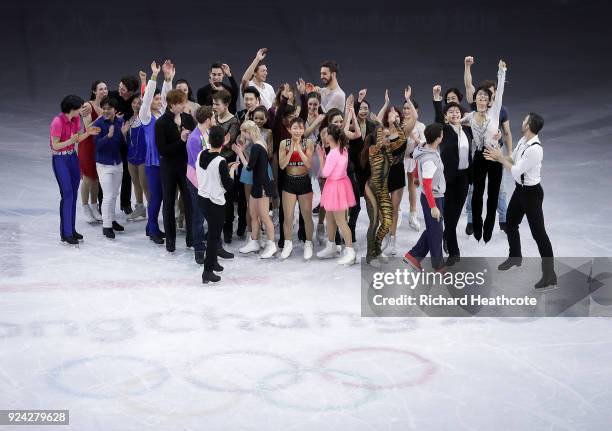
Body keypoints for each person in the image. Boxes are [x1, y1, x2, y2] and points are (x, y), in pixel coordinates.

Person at [484, 113, 557, 291]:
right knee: (510, 223)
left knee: (539, 235)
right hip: (520, 191)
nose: (522, 121)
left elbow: (516, 171)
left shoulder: (535, 149)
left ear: (529, 125)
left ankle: (550, 276)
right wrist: (496, 157)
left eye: (525, 120)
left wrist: (499, 157)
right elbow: (513, 160)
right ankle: (515, 256)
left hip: (532, 194)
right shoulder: (523, 141)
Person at [464, 56, 513, 235]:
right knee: (475, 190)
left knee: (498, 190)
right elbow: (469, 86)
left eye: (488, 95)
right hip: (477, 155)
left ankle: (502, 220)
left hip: (494, 153)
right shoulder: (473, 110)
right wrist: (467, 67)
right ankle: (472, 221)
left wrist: (502, 72)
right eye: (482, 95)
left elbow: (506, 133)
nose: (485, 98)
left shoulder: (499, 110)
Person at [433, 85, 473, 266]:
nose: (455, 114)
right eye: (451, 112)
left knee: (454, 215)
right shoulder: (443, 130)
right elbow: (437, 116)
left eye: (457, 111)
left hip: (464, 177)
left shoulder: (467, 130)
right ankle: (454, 252)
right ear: (446, 116)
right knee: (448, 217)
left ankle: (446, 237)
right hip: (448, 178)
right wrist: (436, 98)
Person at [50, 95, 100, 244]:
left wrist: (88, 133)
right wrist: (69, 141)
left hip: (72, 157)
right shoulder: (57, 122)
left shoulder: (76, 119)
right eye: (80, 107)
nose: (82, 110)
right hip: (60, 159)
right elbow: (55, 145)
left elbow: (77, 139)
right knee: (67, 194)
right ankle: (65, 233)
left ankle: (71, 229)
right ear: (72, 109)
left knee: (73, 194)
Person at [361, 109, 407, 267]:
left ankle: (377, 249)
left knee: (387, 222)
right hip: (371, 189)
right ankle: (369, 255)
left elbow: (401, 138)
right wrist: (380, 125)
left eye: (388, 136)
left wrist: (394, 123)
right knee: (374, 222)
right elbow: (381, 140)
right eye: (385, 136)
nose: (389, 138)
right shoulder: (374, 149)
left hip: (382, 189)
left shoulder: (389, 148)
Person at [197, 126, 240, 283]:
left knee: (213, 233)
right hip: (215, 202)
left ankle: (213, 261)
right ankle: (207, 271)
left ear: (209, 140)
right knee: (214, 237)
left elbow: (208, 172)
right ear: (223, 142)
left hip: (202, 198)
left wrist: (224, 170)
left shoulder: (201, 154)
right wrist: (232, 170)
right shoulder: (221, 161)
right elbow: (228, 185)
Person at [155, 87, 196, 252]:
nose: (183, 105)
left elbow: (194, 142)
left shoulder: (188, 118)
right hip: (169, 166)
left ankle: (191, 237)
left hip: (186, 165)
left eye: (183, 102)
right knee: (169, 202)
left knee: (189, 202)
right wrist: (181, 140)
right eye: (179, 103)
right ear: (171, 105)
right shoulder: (161, 123)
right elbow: (162, 150)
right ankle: (170, 239)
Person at [380, 88, 418, 256]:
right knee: (384, 209)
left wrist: (408, 100)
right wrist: (386, 104)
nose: (394, 115)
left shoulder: (404, 130)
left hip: (397, 173)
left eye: (396, 114)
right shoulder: (382, 131)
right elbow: (376, 118)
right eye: (391, 113)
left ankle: (393, 240)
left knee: (394, 209)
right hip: (383, 173)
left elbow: (415, 117)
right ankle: (386, 235)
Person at [403, 123, 446, 271]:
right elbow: (427, 184)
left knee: (434, 229)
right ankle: (439, 267)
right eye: (441, 134)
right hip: (432, 197)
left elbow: (416, 161)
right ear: (438, 139)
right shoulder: (429, 159)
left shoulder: (424, 147)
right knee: (436, 233)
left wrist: (416, 176)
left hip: (434, 195)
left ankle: (414, 256)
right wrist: (433, 206)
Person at [140, 60, 172, 245]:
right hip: (152, 163)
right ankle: (152, 229)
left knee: (160, 196)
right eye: (155, 98)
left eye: (159, 99)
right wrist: (154, 76)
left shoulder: (161, 113)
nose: (158, 101)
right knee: (156, 197)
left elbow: (169, 98)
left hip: (164, 161)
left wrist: (167, 80)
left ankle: (150, 226)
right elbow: (147, 97)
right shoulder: (145, 116)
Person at [235, 120, 277, 258]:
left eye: (243, 132)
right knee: (253, 214)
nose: (242, 135)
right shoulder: (257, 144)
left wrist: (240, 153)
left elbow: (249, 167)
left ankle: (271, 245)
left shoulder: (257, 147)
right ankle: (254, 241)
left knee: (264, 216)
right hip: (256, 184)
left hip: (263, 185)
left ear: (248, 132)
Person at [315, 125, 357, 265]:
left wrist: (321, 157)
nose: (324, 136)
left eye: (325, 133)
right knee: (330, 218)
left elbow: (325, 173)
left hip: (335, 187)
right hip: (339, 185)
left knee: (340, 221)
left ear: (331, 137)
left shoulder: (334, 152)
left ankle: (350, 251)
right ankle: (331, 246)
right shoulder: (342, 148)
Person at [278, 117, 315, 260]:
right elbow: (282, 165)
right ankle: (288, 243)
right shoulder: (284, 143)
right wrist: (290, 150)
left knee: (306, 216)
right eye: (295, 128)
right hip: (289, 182)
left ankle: (308, 243)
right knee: (288, 217)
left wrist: (298, 148)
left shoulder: (308, 143)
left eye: (300, 128)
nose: (298, 131)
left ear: (303, 130)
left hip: (304, 181)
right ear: (289, 129)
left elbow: (308, 164)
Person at [93, 96, 127, 239]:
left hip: (117, 163)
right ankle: (106, 226)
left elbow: (123, 144)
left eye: (109, 108)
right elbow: (97, 146)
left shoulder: (120, 122)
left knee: (114, 195)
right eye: (104, 108)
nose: (106, 111)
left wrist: (124, 134)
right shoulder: (98, 123)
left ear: (115, 109)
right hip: (104, 165)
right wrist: (108, 136)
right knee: (107, 196)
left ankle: (112, 220)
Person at [212, 89, 241, 243]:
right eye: (213, 103)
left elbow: (228, 144)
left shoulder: (234, 122)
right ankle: (214, 228)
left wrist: (219, 142)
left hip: (226, 163)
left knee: (227, 199)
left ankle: (228, 228)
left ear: (226, 104)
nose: (214, 107)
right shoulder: (213, 118)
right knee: (214, 198)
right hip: (213, 162)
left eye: (217, 104)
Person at [109, 75, 140, 215]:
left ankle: (125, 203)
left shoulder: (134, 102)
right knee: (109, 172)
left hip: (127, 142)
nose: (120, 90)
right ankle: (104, 202)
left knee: (127, 174)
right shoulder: (112, 96)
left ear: (131, 92)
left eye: (123, 89)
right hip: (111, 140)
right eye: (119, 87)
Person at [79, 80, 107, 223]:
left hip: (99, 146)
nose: (104, 91)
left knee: (96, 177)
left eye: (105, 88)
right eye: (100, 89)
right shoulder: (87, 106)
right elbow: (89, 128)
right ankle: (85, 207)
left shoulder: (105, 106)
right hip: (87, 145)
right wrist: (103, 116)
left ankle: (94, 207)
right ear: (94, 91)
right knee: (88, 177)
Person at [122, 95, 148, 221]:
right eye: (134, 102)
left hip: (143, 157)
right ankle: (140, 208)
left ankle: (152, 210)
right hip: (131, 156)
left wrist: (143, 80)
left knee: (145, 184)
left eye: (139, 103)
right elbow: (129, 142)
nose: (136, 105)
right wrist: (124, 133)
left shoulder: (145, 119)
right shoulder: (129, 120)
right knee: (136, 183)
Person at [404, 95, 425, 232]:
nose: (406, 110)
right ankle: (397, 212)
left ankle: (413, 214)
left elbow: (424, 144)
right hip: (398, 159)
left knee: (411, 186)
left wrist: (413, 137)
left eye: (409, 108)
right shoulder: (398, 123)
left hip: (411, 159)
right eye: (404, 108)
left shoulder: (420, 126)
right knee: (396, 187)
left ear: (415, 110)